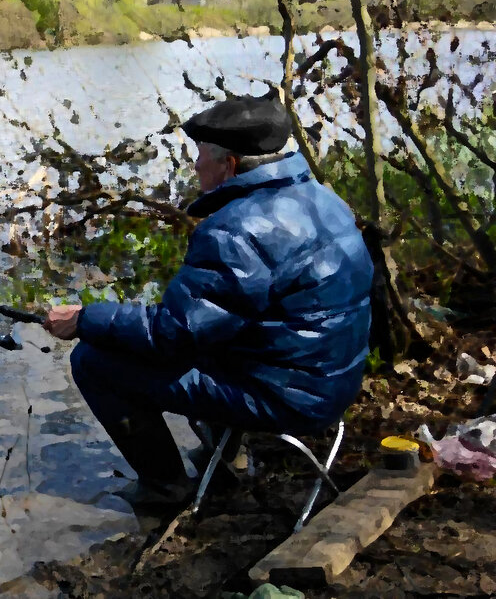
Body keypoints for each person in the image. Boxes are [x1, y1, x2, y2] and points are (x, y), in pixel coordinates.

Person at [43, 94, 373, 509]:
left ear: (230, 164)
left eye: (200, 155)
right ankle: (227, 457)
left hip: (290, 398)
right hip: (334, 382)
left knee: (93, 361)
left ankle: (165, 488)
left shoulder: (235, 231)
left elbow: (173, 335)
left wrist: (86, 318)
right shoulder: (323, 199)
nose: (195, 165)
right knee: (219, 334)